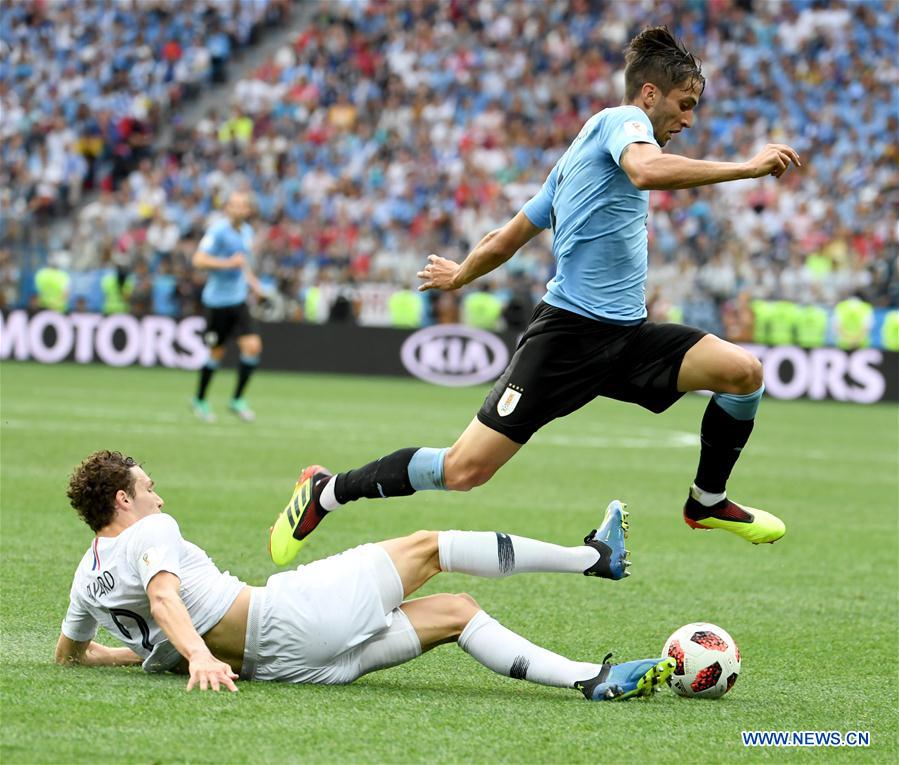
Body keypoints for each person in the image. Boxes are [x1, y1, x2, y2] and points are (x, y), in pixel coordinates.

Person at [270, 27, 798, 567]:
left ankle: (706, 501)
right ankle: (329, 490)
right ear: (648, 95)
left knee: (742, 373)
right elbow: (644, 171)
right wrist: (746, 168)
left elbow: (505, 239)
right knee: (463, 470)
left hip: (627, 335)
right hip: (567, 339)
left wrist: (460, 274)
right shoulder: (621, 122)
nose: (688, 120)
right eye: (684, 105)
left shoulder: (574, 163)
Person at [55, 450, 674, 701]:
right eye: (149, 488)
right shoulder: (150, 531)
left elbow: (72, 656)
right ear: (122, 500)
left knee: (456, 612)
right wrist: (196, 656)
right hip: (290, 617)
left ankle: (589, 678)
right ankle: (594, 557)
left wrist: (141, 656)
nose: (159, 498)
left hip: (291, 669)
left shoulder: (88, 577)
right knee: (429, 547)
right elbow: (165, 597)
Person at [191, 190, 264, 422]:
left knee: (253, 347)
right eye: (233, 204)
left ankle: (237, 399)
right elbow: (198, 260)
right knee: (216, 352)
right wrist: (227, 263)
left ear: (248, 210)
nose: (237, 208)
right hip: (217, 302)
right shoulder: (218, 231)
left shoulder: (247, 231)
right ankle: (200, 399)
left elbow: (242, 264)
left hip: (238, 300)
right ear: (227, 208)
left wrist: (253, 283)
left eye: (242, 205)